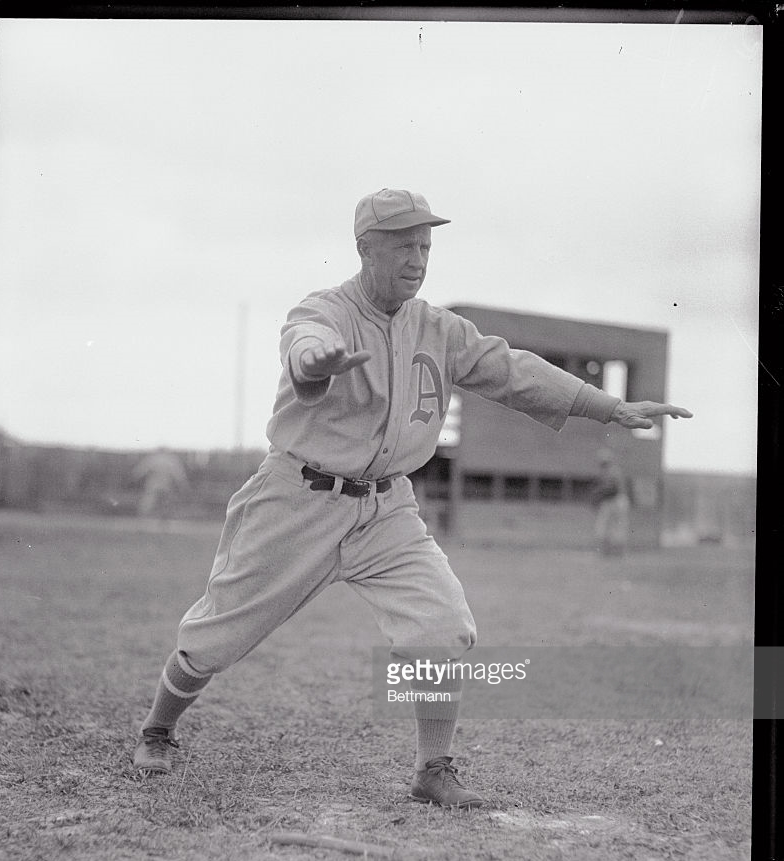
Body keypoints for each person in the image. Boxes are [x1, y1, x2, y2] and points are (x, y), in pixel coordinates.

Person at [132, 188, 692, 807]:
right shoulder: (326, 310)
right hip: (299, 497)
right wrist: (314, 361)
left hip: (386, 508)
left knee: (441, 625)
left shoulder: (439, 329)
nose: (418, 258)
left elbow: (512, 370)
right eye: (403, 245)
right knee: (219, 633)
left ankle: (434, 769)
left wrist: (609, 407)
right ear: (365, 249)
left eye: (425, 245)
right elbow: (304, 344)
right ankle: (158, 728)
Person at [591, 447, 631, 556]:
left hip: (617, 500)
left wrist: (598, 494)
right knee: (603, 528)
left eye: (605, 462)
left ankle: (619, 553)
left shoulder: (614, 471)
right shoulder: (603, 473)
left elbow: (613, 489)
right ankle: (606, 553)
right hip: (609, 501)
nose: (603, 465)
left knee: (617, 528)